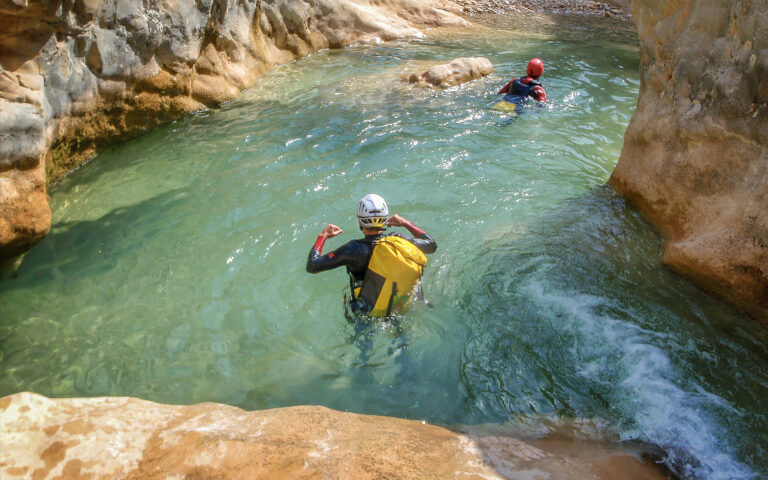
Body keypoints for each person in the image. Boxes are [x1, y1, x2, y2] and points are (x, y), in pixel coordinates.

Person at [306, 194, 437, 317]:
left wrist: (323, 236)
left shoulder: (353, 250)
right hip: (396, 305)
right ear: (385, 219)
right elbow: (431, 244)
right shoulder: (399, 241)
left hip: (366, 311)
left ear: (360, 221)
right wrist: (405, 223)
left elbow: (312, 265)